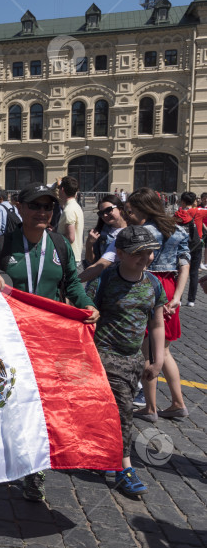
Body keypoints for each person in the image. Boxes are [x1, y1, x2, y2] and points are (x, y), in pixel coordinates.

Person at [0, 183, 99, 503]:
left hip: (47, 340)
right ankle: (5, 457)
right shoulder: (3, 244)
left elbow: (72, 283)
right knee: (10, 402)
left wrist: (86, 306)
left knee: (41, 406)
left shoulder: (59, 245)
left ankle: (35, 473)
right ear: (21, 209)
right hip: (9, 338)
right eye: (36, 206)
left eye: (48, 207)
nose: (43, 212)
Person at [85, 226, 166, 498]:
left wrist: (157, 360)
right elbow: (86, 315)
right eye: (137, 253)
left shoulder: (153, 284)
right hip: (105, 355)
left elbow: (156, 324)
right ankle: (124, 469)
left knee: (113, 411)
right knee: (124, 412)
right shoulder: (104, 280)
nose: (145, 258)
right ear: (119, 253)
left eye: (149, 252)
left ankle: (102, 454)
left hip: (134, 360)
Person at [125, 188, 191, 422]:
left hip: (150, 284)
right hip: (171, 285)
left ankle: (150, 407)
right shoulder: (179, 229)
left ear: (143, 207)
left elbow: (138, 264)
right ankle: (177, 402)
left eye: (133, 208)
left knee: (147, 350)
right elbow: (185, 264)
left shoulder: (142, 231)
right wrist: (177, 297)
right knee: (164, 350)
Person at [79, 194, 127, 282]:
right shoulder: (99, 233)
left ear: (120, 209)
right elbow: (91, 262)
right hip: (105, 281)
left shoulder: (134, 230)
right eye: (101, 213)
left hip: (127, 280)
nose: (105, 215)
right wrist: (89, 244)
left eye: (109, 210)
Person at [174, 191, 207, 307]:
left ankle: (179, 298)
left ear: (182, 201)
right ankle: (191, 300)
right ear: (193, 201)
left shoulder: (177, 214)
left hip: (182, 246)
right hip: (196, 245)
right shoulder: (198, 211)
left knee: (179, 272)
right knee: (194, 273)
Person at [57, 176, 84, 263]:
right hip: (74, 255)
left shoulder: (69, 210)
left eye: (59, 188)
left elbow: (70, 237)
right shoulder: (75, 206)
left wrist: (54, 235)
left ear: (62, 190)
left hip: (69, 257)